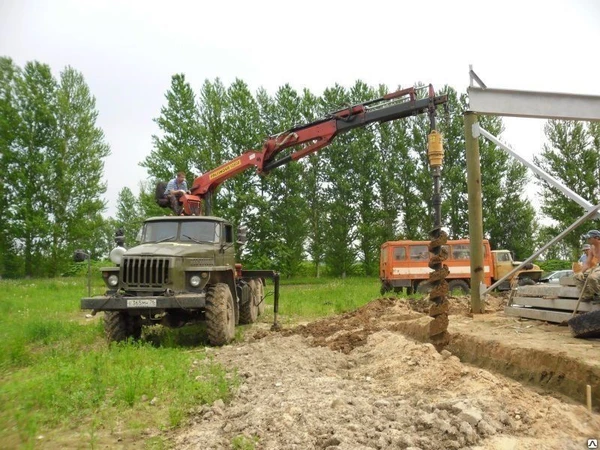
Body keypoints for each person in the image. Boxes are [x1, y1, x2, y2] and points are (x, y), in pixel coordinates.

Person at [573, 230, 600, 302]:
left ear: (597, 238)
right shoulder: (591, 248)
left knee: (592, 277)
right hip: (597, 267)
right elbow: (587, 263)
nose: (588, 240)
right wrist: (581, 272)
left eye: (589, 238)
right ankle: (588, 295)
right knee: (577, 276)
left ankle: (598, 294)